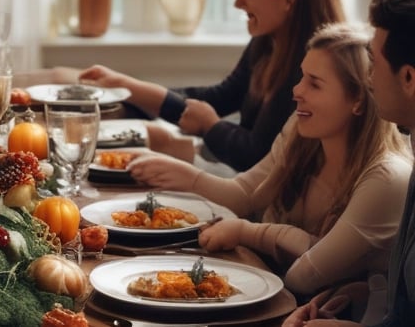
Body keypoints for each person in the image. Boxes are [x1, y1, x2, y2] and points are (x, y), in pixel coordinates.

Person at [128, 23, 411, 299]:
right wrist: (183, 174)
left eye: (314, 84)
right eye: (302, 77)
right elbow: (244, 195)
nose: (297, 91)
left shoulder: (386, 179)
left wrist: (249, 231)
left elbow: (303, 277)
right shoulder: (301, 132)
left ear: (358, 100)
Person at [79, 0, 345, 171]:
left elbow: (256, 154)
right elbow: (220, 97)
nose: (238, 2)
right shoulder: (268, 42)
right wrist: (128, 87)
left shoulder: (311, 70)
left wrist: (210, 126)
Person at [283, 0, 415, 327]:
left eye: (374, 62)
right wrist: (366, 293)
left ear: (409, 78)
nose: (369, 79)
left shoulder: (391, 174)